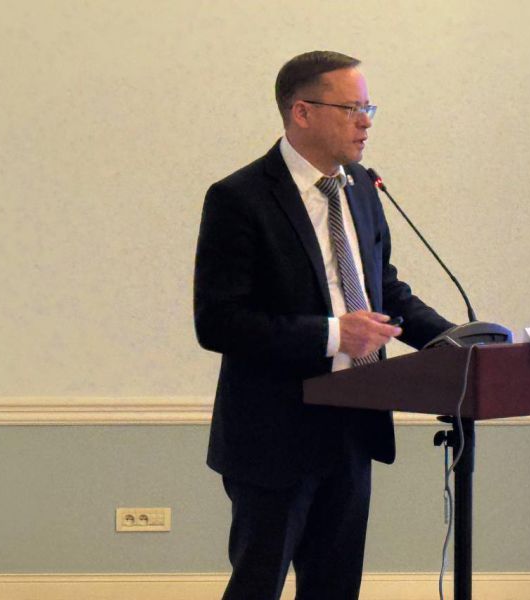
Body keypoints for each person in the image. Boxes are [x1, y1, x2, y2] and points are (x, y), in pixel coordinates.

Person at [193, 50, 454, 600]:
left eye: (369, 108)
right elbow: (219, 322)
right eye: (352, 108)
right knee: (257, 586)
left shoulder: (361, 187)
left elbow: (385, 291)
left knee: (335, 588)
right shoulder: (239, 198)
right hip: (274, 431)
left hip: (353, 423)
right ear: (302, 112)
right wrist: (335, 334)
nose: (366, 122)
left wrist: (453, 341)